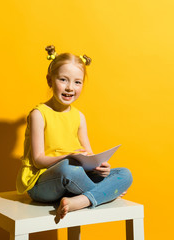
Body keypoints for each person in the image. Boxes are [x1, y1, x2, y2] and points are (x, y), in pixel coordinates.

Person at [16, 45, 133, 220]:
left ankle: (81, 200)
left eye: (77, 82)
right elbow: (38, 161)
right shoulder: (39, 114)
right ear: (50, 80)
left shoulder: (79, 117)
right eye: (63, 80)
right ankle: (104, 194)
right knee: (68, 169)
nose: (70, 87)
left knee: (125, 174)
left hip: (75, 180)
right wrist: (67, 158)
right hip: (43, 184)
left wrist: (101, 168)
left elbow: (89, 156)